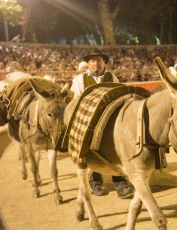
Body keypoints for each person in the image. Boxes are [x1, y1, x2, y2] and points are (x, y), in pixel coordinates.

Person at [70, 49, 134, 199]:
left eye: (98, 60)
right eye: (92, 60)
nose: (95, 63)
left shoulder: (112, 77)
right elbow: (76, 102)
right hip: (88, 120)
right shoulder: (79, 80)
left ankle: (120, 183)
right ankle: (95, 182)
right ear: (88, 64)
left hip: (109, 120)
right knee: (90, 148)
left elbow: (120, 97)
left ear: (104, 62)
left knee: (116, 148)